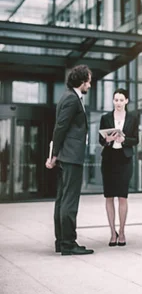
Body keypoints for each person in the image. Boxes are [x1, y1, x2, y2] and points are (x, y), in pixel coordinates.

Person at [46, 64, 94, 256]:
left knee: (62, 200)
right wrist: (53, 154)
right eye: (88, 81)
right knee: (69, 201)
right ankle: (68, 243)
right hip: (71, 156)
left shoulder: (71, 97)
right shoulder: (72, 99)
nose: (90, 85)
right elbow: (60, 127)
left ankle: (62, 242)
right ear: (81, 81)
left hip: (68, 155)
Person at [99, 88, 139, 246]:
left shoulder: (133, 118)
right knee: (109, 196)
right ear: (113, 101)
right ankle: (112, 233)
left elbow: (135, 140)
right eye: (116, 100)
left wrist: (124, 140)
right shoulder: (106, 118)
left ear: (126, 101)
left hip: (125, 159)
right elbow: (101, 140)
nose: (118, 103)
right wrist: (108, 139)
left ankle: (121, 232)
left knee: (122, 196)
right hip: (109, 159)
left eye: (121, 100)